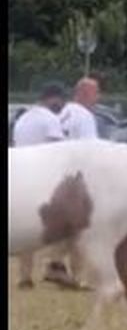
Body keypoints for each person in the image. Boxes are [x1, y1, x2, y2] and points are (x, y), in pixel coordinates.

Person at [44, 77, 102, 289]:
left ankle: (65, 270)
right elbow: (91, 149)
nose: (99, 98)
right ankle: (64, 269)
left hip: (58, 176)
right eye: (96, 93)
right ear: (85, 93)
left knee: (71, 229)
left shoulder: (63, 112)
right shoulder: (84, 116)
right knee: (81, 228)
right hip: (76, 179)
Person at [12, 82, 67, 290]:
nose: (62, 105)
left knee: (26, 229)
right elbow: (58, 151)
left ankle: (25, 277)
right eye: (61, 101)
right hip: (44, 178)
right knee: (66, 224)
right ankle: (56, 266)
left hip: (20, 177)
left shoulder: (23, 118)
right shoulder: (51, 119)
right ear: (53, 98)